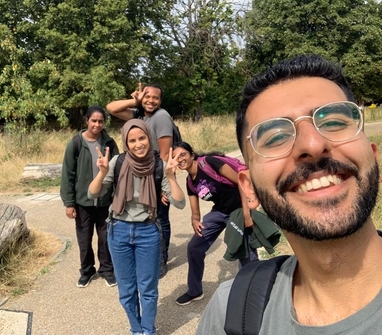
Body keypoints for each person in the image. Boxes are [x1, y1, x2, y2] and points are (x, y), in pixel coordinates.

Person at [196, 54, 381, 334]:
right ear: (248, 187)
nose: (312, 143)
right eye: (275, 137)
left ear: (373, 158)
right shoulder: (229, 313)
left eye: (333, 122)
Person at [88, 119, 186, 335]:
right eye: (132, 140)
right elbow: (92, 193)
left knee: (148, 290)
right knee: (127, 290)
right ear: (125, 142)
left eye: (142, 138)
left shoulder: (159, 165)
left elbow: (179, 202)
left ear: (149, 138)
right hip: (118, 231)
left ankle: (148, 330)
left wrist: (170, 177)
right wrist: (102, 173)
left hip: (147, 232)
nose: (138, 144)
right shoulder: (117, 162)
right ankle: (135, 329)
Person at [172, 142, 259, 306]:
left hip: (239, 209)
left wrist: (247, 214)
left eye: (183, 154)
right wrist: (195, 220)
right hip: (219, 212)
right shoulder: (190, 182)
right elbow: (195, 212)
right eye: (175, 157)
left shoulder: (209, 163)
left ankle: (255, 290)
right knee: (194, 247)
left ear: (192, 154)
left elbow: (241, 182)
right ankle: (195, 291)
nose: (180, 159)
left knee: (245, 252)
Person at [107, 83, 176, 277]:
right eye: (147, 96)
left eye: (155, 97)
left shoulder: (161, 117)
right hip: (141, 174)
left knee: (160, 218)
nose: (151, 100)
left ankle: (160, 260)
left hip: (155, 176)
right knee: (152, 217)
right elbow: (111, 108)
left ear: (160, 101)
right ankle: (151, 257)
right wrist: (134, 101)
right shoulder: (139, 116)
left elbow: (164, 153)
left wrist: (163, 186)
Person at [60, 106, 119, 288]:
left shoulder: (109, 143)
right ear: (87, 120)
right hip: (83, 202)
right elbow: (68, 174)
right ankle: (86, 271)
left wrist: (117, 198)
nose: (97, 124)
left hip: (104, 201)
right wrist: (69, 203)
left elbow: (118, 172)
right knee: (84, 239)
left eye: (100, 121)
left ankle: (107, 270)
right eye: (93, 120)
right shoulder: (76, 143)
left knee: (105, 237)